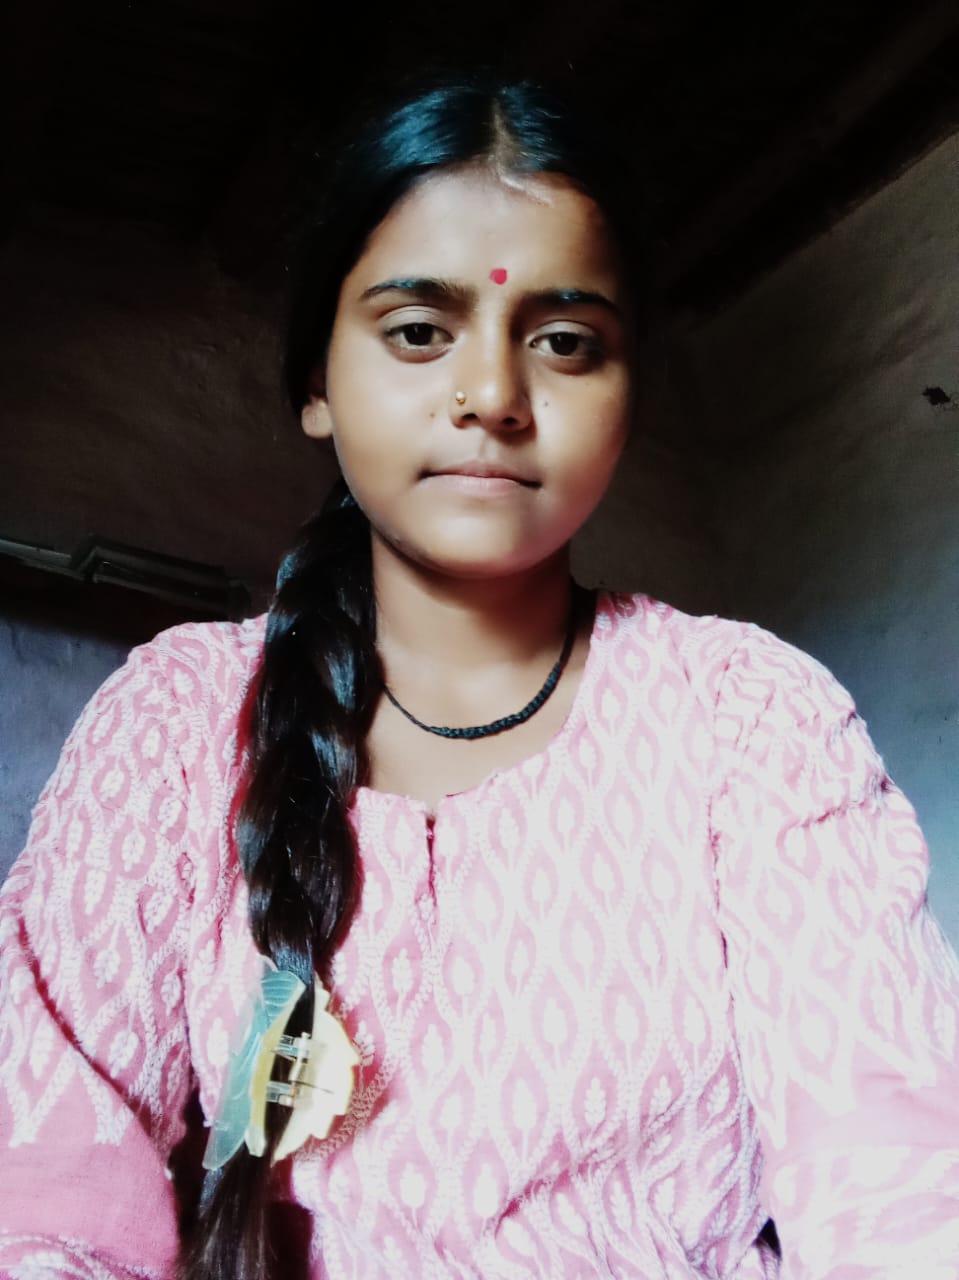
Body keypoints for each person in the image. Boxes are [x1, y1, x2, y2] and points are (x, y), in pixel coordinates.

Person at [1, 76, 958, 1280]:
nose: (493, 396)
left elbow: (898, 1180)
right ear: (315, 382)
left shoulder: (749, 716)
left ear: (625, 396)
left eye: (564, 342)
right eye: (418, 330)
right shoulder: (176, 721)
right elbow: (39, 1199)